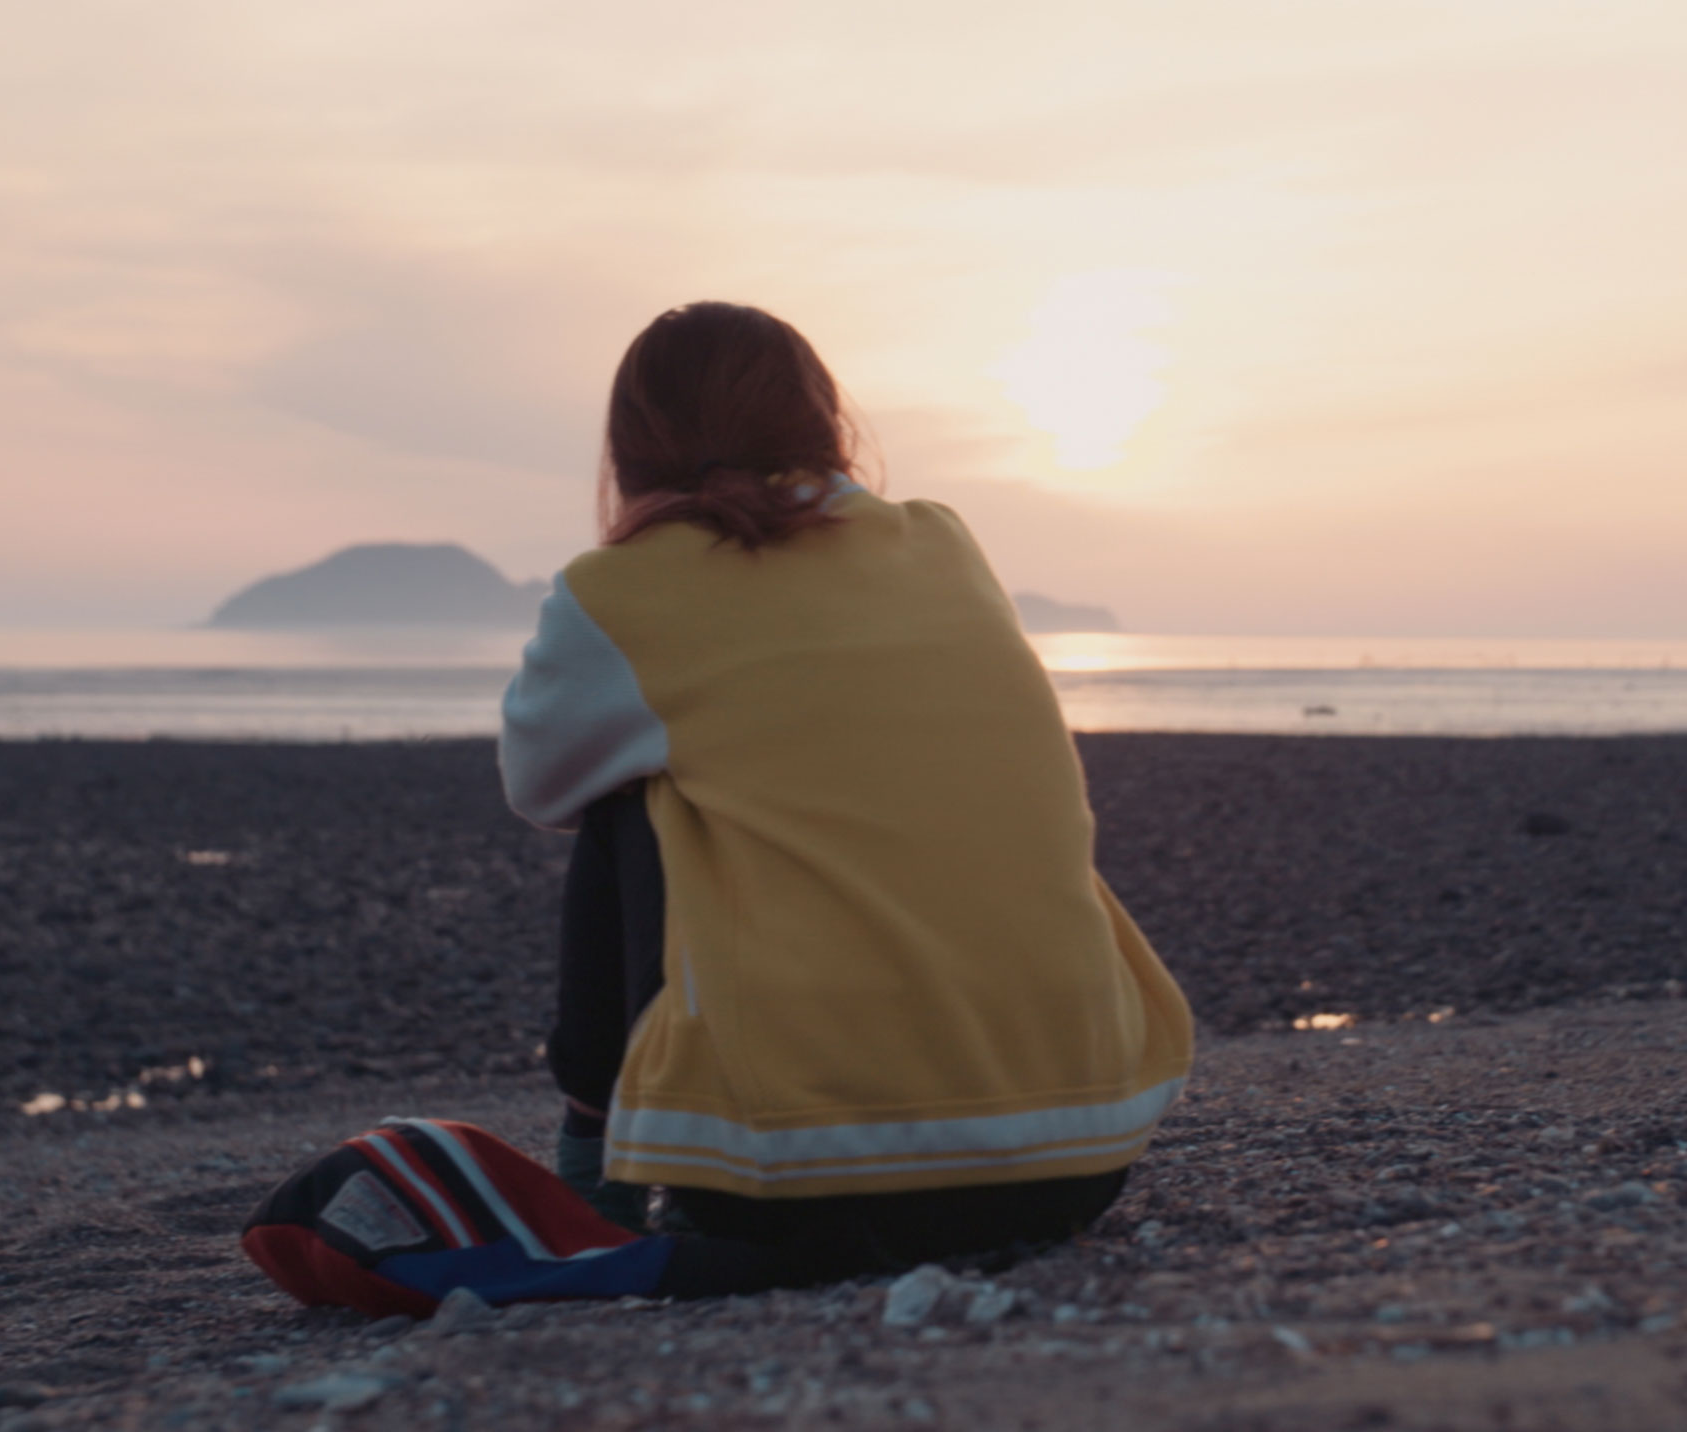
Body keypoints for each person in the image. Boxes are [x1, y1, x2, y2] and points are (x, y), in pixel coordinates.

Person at [497, 302, 1193, 1291]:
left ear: (633, 447)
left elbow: (540, 785)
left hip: (806, 1183)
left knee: (629, 794)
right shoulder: (941, 545)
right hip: (1078, 1156)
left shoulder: (622, 589)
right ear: (824, 420)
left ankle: (593, 1179)